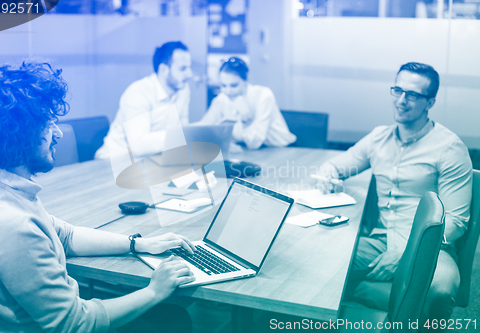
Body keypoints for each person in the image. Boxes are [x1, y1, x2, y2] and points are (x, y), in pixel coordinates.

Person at [0, 62, 196, 333]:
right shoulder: (13, 225)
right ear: (19, 135)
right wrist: (154, 291)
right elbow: (75, 323)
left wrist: (139, 244)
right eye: (48, 125)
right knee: (171, 319)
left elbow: (66, 236)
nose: (57, 132)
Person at [316, 62, 472, 327]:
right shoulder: (379, 138)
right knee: (319, 261)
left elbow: (456, 221)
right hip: (382, 238)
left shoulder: (449, 148)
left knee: (440, 289)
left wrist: (408, 253)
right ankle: (369, 292)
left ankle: (365, 291)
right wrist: (329, 176)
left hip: (431, 246)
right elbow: (336, 165)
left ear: (429, 102)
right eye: (397, 90)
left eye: (412, 94)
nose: (402, 100)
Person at [95, 41, 193, 159]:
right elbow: (138, 145)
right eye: (183, 69)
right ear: (163, 70)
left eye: (189, 67)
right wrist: (181, 136)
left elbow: (183, 131)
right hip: (114, 160)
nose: (190, 74)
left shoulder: (182, 90)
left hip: (151, 161)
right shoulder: (139, 92)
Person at [198, 57, 296, 151]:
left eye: (234, 85)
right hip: (245, 150)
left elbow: (255, 142)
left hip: (280, 149)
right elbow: (204, 128)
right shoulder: (221, 99)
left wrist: (246, 120)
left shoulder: (263, 95)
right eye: (223, 85)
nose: (228, 91)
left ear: (246, 81)